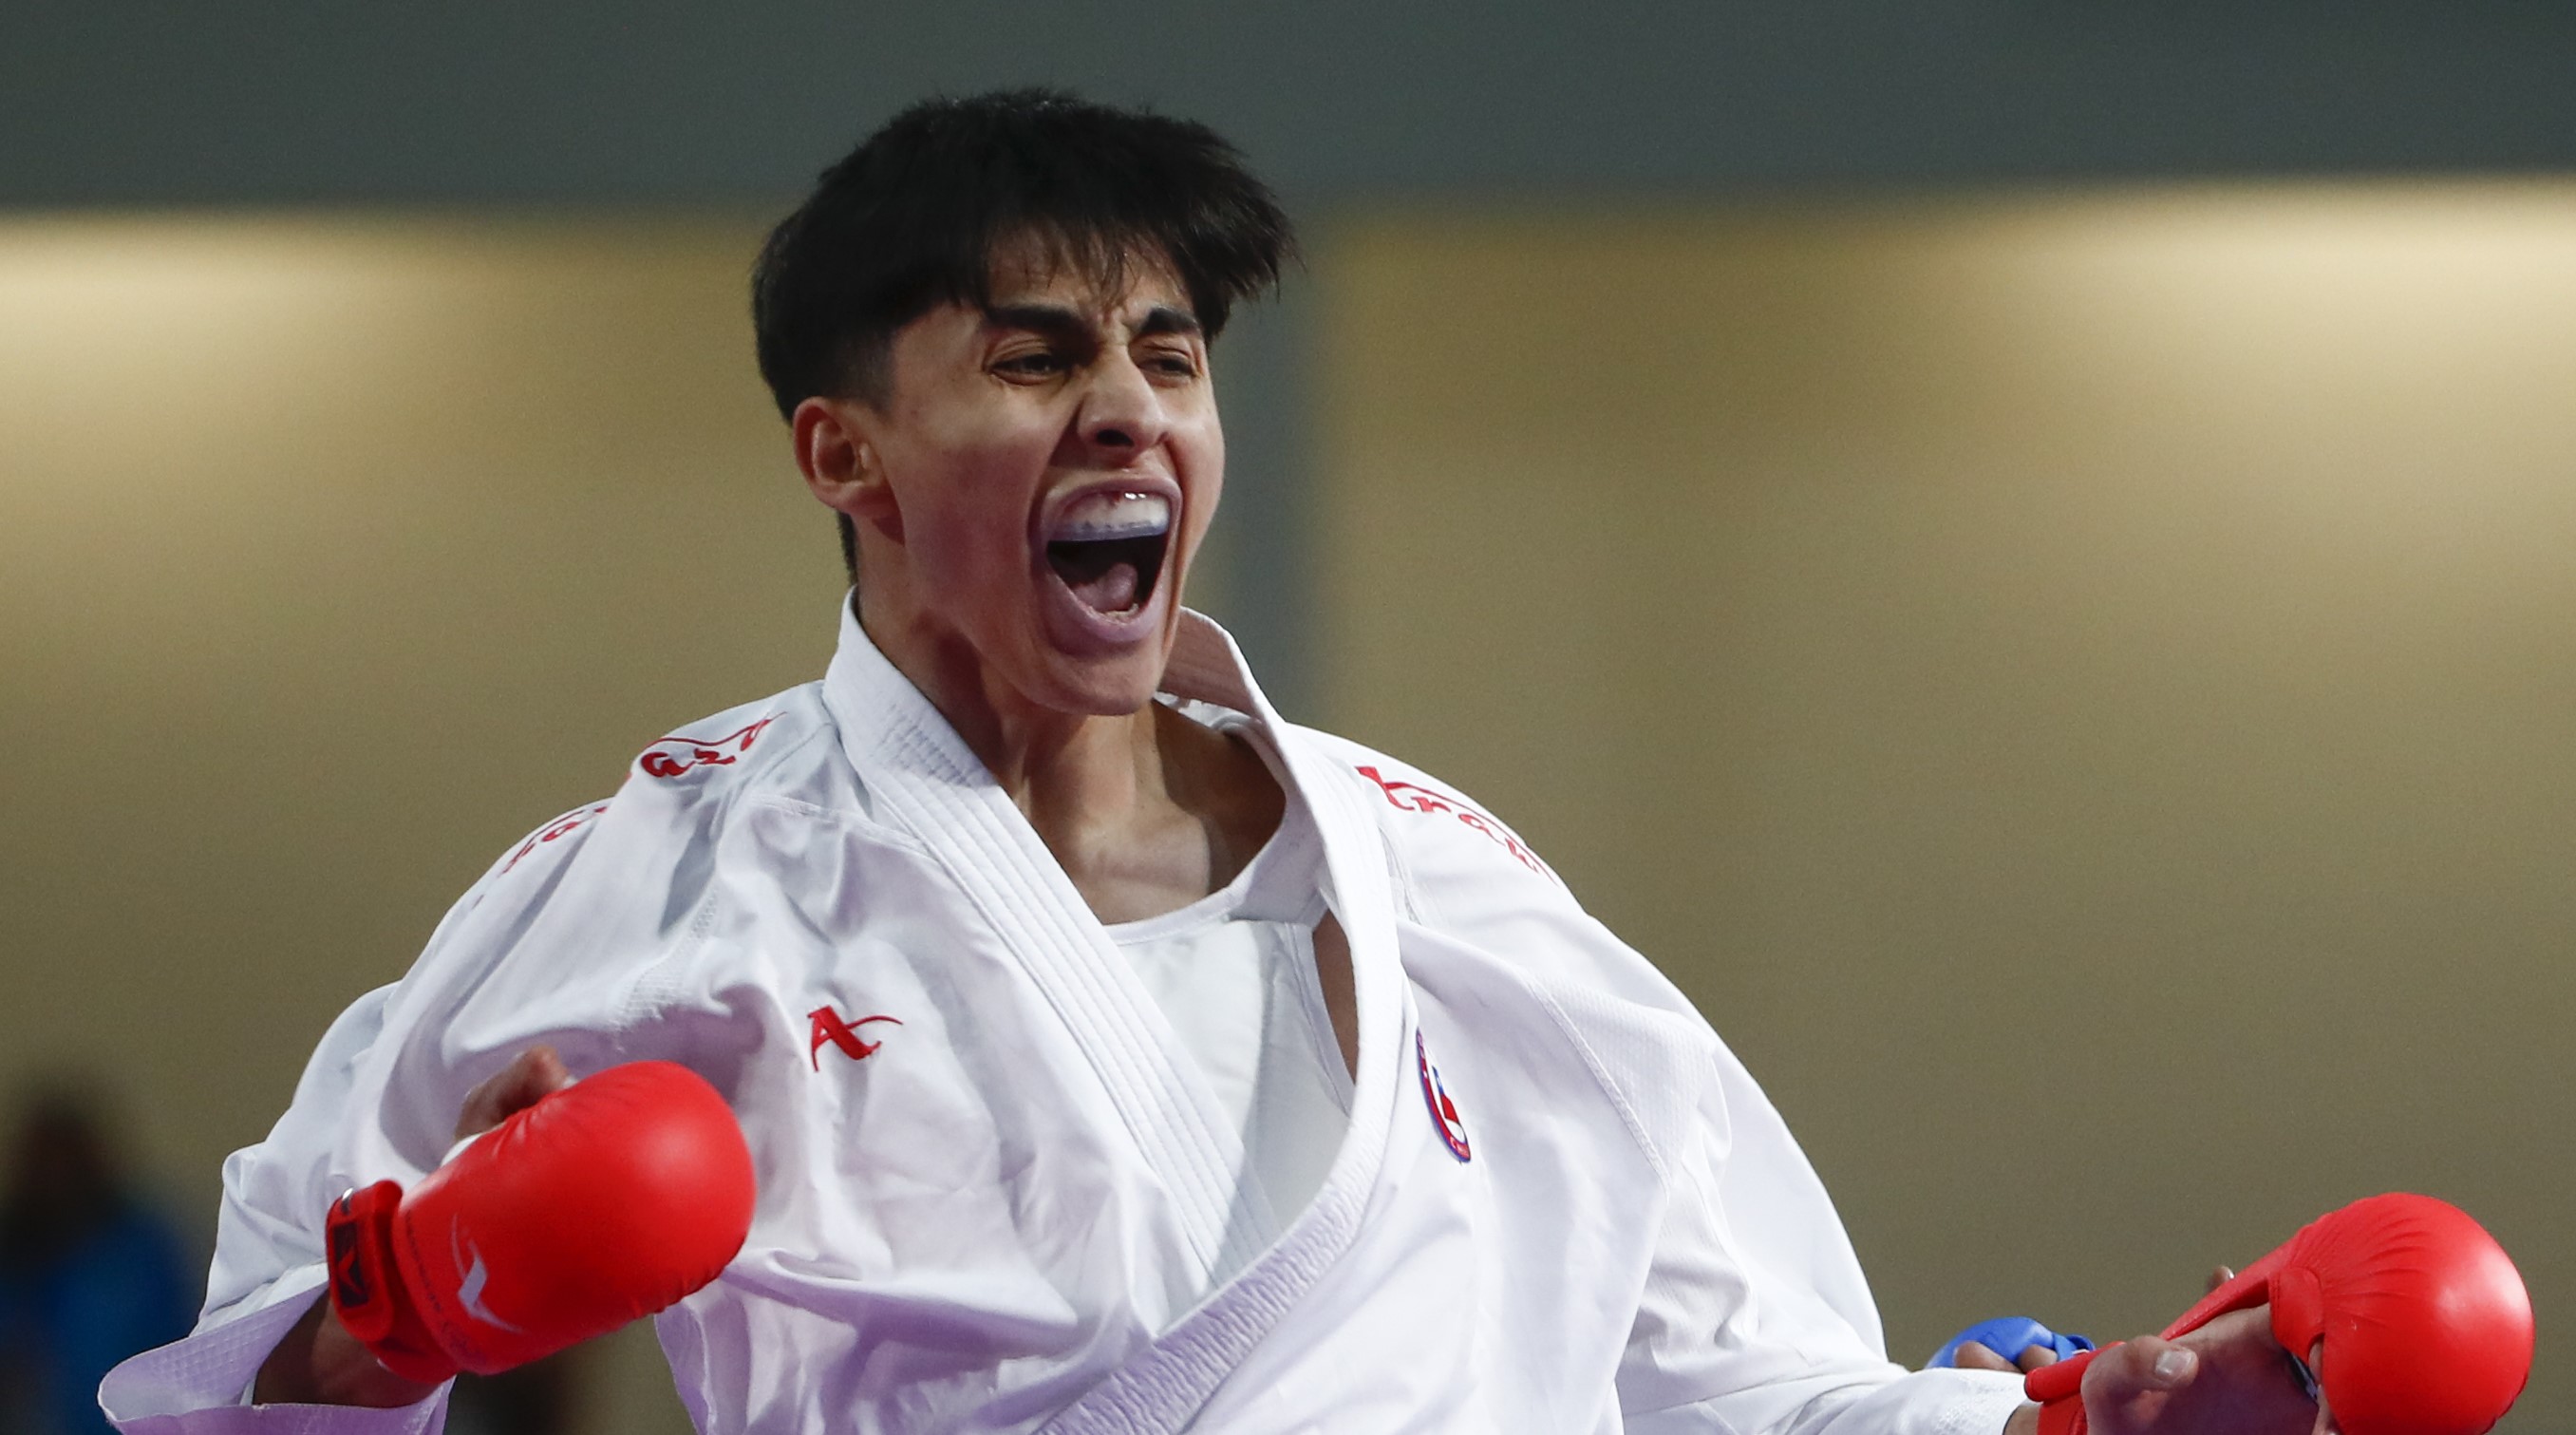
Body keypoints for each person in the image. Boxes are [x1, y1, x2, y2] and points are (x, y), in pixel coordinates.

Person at [101, 90, 2323, 1434]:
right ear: (840, 449)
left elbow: (1715, 1378)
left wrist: (2066, 1411)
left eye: (1168, 352)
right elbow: (234, 1383)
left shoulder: (1428, 862)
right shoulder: (671, 882)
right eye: (1038, 353)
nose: (1131, 408)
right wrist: (425, 1294)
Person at [0, 1081, 194, 1435]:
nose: (56, 1176)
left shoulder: (142, 1251)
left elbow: (180, 1356)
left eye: (66, 1159)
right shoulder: (12, 1256)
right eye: (44, 1161)